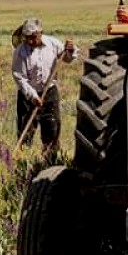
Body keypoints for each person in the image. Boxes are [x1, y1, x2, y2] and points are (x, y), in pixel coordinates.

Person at [12, 17, 79, 162]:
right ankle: (23, 161)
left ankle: (50, 160)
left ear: (40, 33)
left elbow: (66, 58)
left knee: (52, 127)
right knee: (26, 130)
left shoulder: (52, 43)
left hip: (50, 91)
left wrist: (70, 50)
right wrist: (32, 96)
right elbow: (19, 77)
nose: (30, 41)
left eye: (33, 37)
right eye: (27, 38)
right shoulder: (20, 51)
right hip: (27, 95)